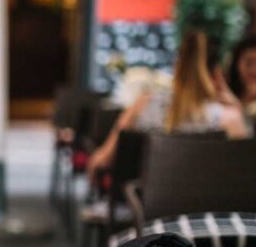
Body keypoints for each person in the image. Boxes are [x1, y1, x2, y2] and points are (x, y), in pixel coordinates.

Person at [87, 30, 246, 175]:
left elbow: (102, 161)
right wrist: (236, 105)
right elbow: (245, 175)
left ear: (177, 67)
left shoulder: (144, 104)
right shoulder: (228, 118)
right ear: (217, 74)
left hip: (147, 204)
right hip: (210, 205)